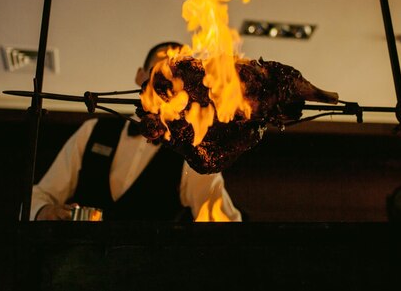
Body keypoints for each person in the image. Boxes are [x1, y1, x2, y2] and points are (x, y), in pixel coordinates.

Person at [31, 41, 243, 222]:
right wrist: (45, 211)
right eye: (159, 73)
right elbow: (40, 195)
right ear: (139, 75)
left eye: (179, 80)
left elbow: (223, 223)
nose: (169, 86)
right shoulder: (93, 130)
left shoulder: (193, 152)